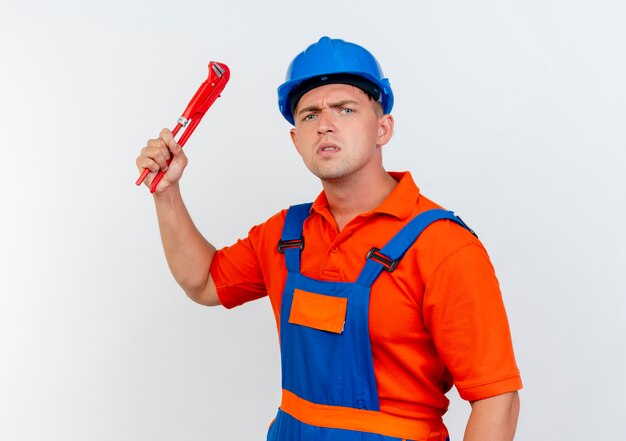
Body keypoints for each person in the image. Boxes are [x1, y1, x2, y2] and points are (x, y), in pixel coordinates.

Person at [136, 36, 522, 441]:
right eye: (309, 115)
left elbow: (497, 398)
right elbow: (204, 282)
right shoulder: (286, 235)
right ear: (296, 140)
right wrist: (167, 193)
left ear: (383, 128)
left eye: (346, 109)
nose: (325, 124)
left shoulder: (442, 246)